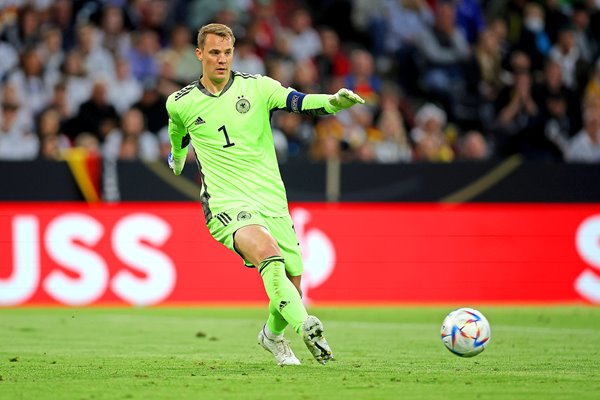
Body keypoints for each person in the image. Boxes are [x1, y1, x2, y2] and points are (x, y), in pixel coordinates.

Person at [165, 23, 364, 366]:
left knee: (293, 284)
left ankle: (271, 337)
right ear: (199, 54)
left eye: (227, 52)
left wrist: (332, 103)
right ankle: (308, 327)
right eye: (214, 53)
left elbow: (299, 102)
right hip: (225, 203)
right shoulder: (180, 102)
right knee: (267, 255)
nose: (222, 60)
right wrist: (178, 159)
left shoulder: (257, 87)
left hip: (270, 199)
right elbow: (178, 133)